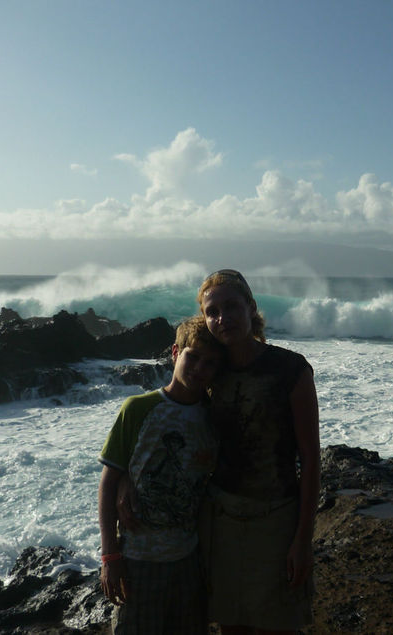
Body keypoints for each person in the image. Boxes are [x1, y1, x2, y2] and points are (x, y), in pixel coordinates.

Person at [197, 269, 321, 634]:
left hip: (276, 520)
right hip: (220, 522)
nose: (223, 318)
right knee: (231, 625)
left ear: (251, 307)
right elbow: (169, 423)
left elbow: (311, 459)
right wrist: (123, 480)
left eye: (232, 306)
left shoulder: (290, 370)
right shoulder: (207, 370)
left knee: (279, 625)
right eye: (213, 311)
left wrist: (303, 540)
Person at [98, 315, 225, 635]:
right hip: (138, 562)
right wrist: (110, 554)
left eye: (209, 363)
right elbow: (109, 481)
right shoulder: (137, 409)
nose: (198, 369)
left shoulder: (214, 418)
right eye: (192, 357)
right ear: (174, 353)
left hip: (189, 563)